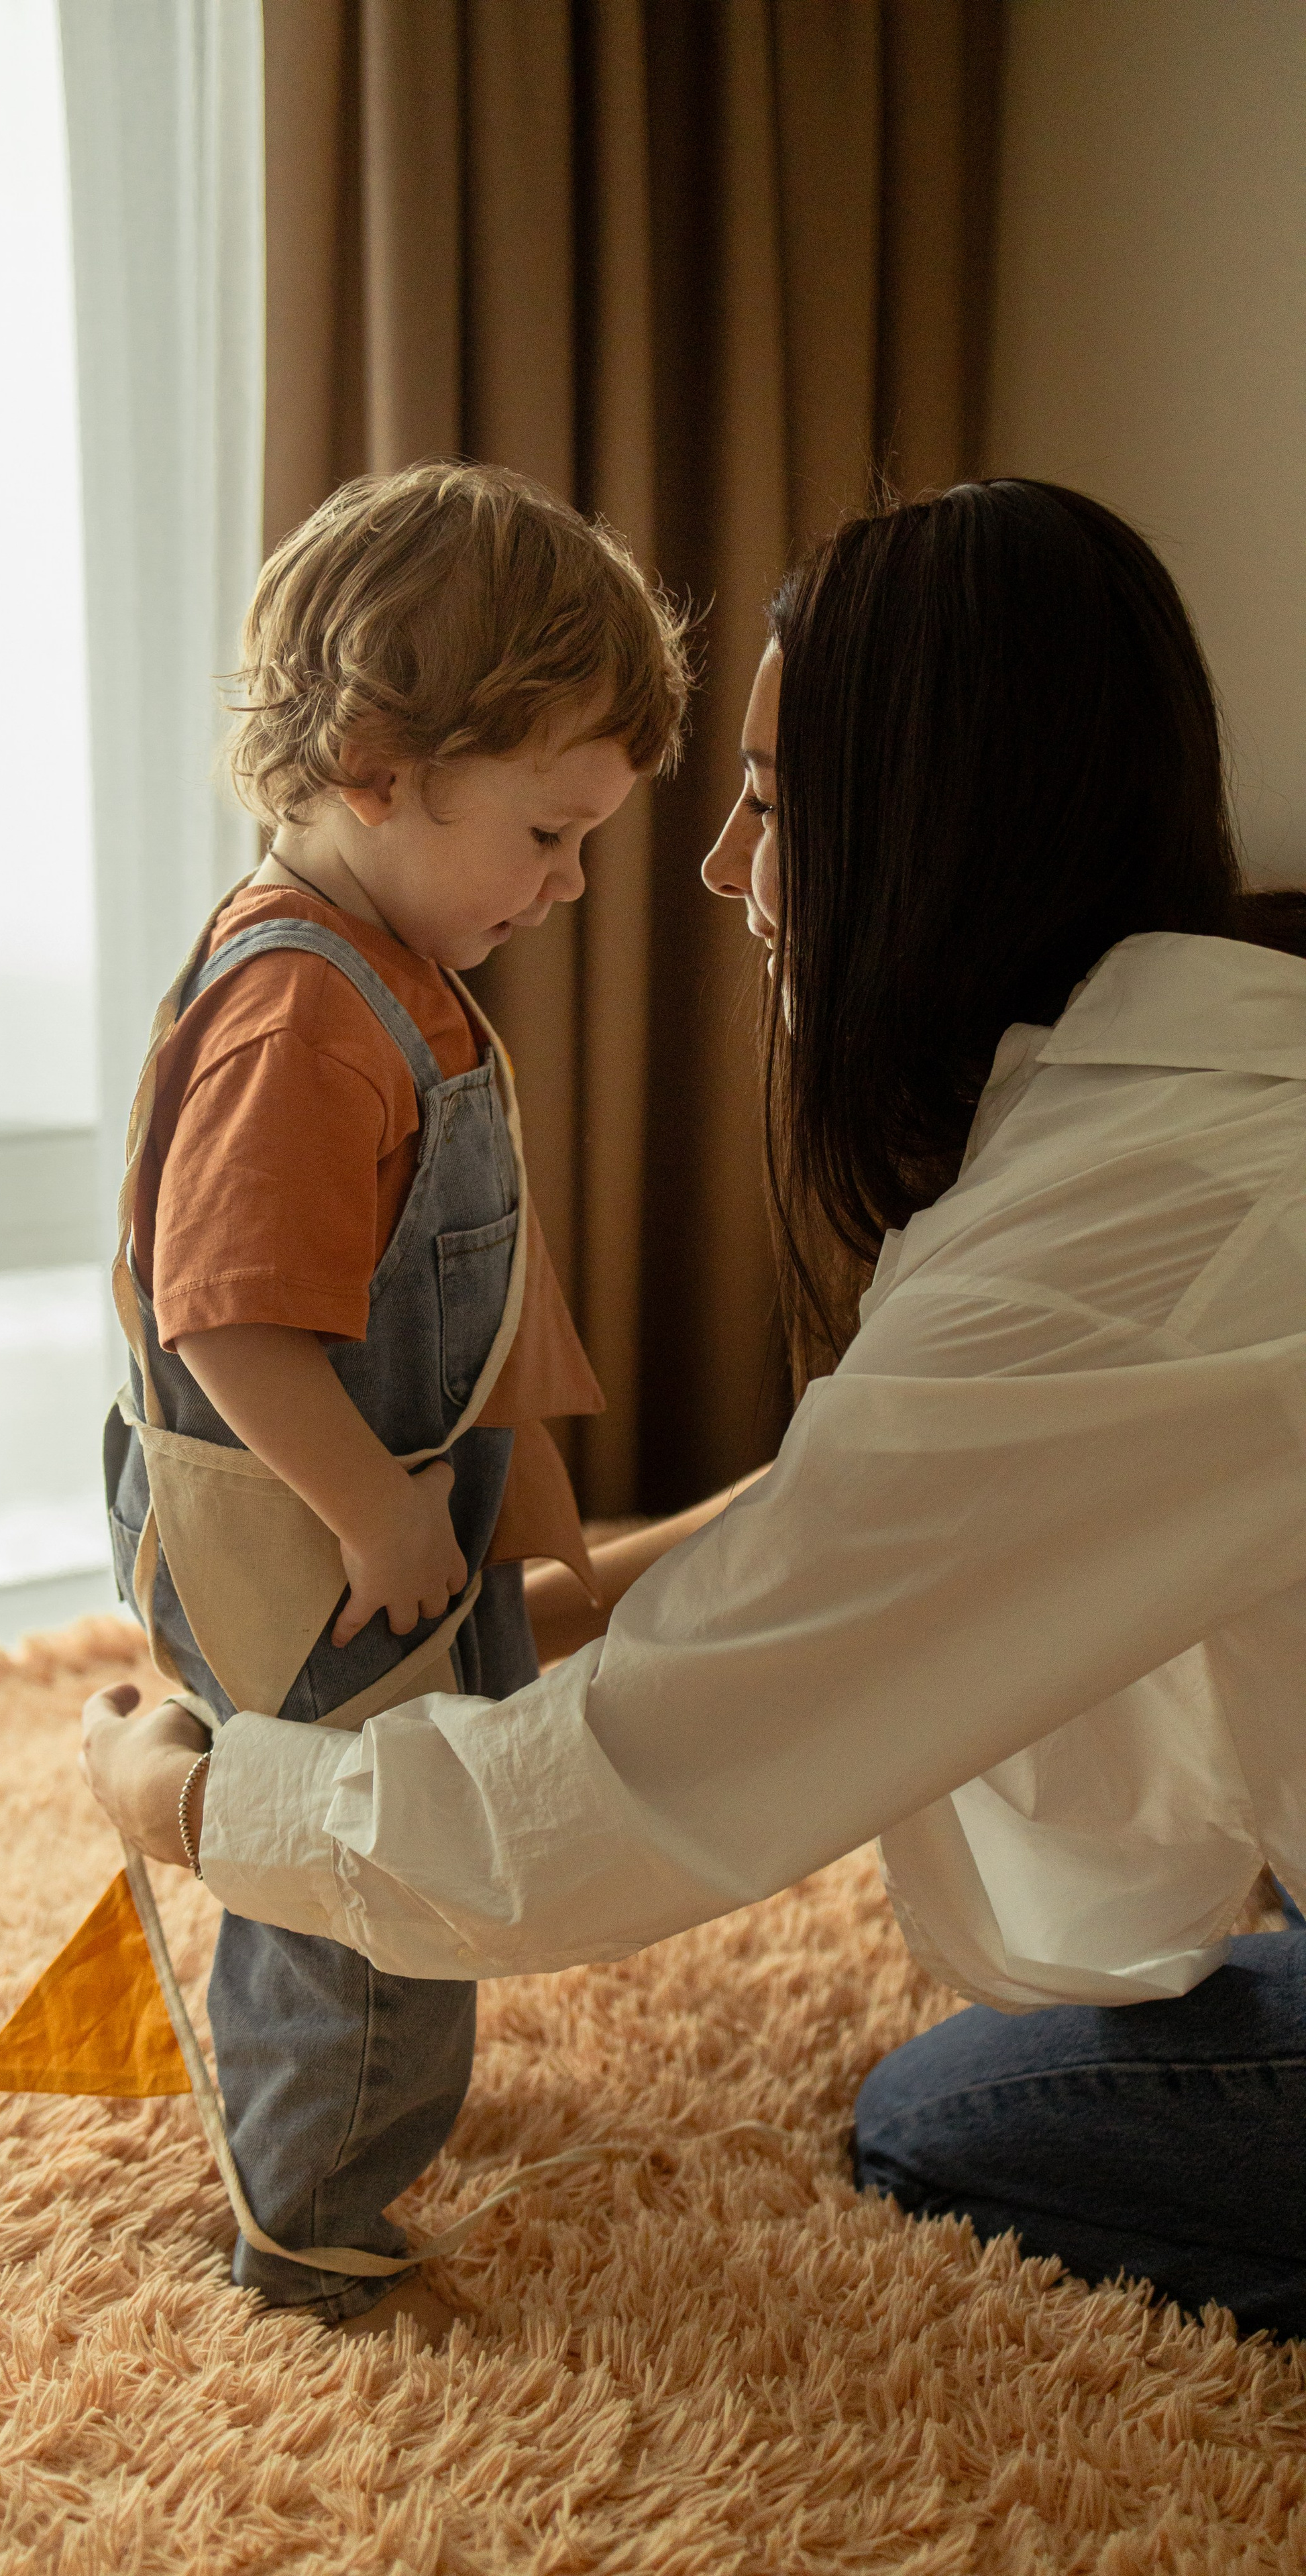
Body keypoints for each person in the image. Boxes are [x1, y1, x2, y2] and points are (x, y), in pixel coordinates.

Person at [87, 480, 1306, 2343]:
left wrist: (195, 1805)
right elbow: (895, 1510)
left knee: (939, 2122)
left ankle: (315, 2191)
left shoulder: (1116, 1246)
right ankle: (314, 2156)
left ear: (932, 834)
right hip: (325, 1542)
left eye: (771, 802)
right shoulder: (1211, 1081)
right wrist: (555, 1591)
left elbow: (638, 1792)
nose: (722, 870)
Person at [99, 460, 694, 2337]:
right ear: (372, 759)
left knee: (447, 1788)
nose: (572, 883)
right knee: (352, 1839)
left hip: (404, 1487)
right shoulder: (301, 1011)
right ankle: (315, 2197)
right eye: (544, 833)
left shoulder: (405, 967)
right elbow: (229, 1321)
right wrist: (370, 1510)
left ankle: (361, 2071)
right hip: (302, 1514)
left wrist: (518, 1513)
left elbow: (481, 1276)